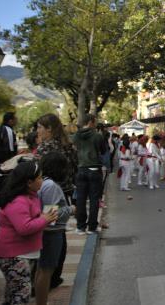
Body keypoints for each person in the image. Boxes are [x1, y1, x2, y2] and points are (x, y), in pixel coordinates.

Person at [0, 161, 58, 305]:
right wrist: (44, 219)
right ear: (29, 182)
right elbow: (24, 228)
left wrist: (45, 218)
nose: (42, 181)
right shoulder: (18, 201)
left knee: (13, 293)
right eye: (40, 178)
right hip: (13, 255)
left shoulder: (30, 197)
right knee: (21, 293)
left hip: (20, 254)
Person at [35, 113, 78, 289]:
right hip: (65, 192)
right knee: (59, 231)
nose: (38, 131)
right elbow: (75, 166)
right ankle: (55, 274)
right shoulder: (68, 146)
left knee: (50, 230)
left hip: (48, 192)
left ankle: (47, 276)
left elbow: (37, 171)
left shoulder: (45, 148)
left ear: (49, 129)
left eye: (40, 127)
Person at [35, 152, 74, 305]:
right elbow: (51, 215)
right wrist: (70, 209)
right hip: (52, 233)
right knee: (46, 270)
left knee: (42, 269)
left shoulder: (44, 182)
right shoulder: (51, 186)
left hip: (46, 232)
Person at [71, 115, 106, 235]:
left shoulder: (76, 136)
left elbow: (73, 149)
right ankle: (92, 227)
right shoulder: (97, 136)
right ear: (91, 122)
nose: (95, 124)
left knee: (80, 199)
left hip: (81, 169)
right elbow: (104, 150)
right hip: (94, 169)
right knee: (94, 199)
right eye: (95, 122)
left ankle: (80, 227)